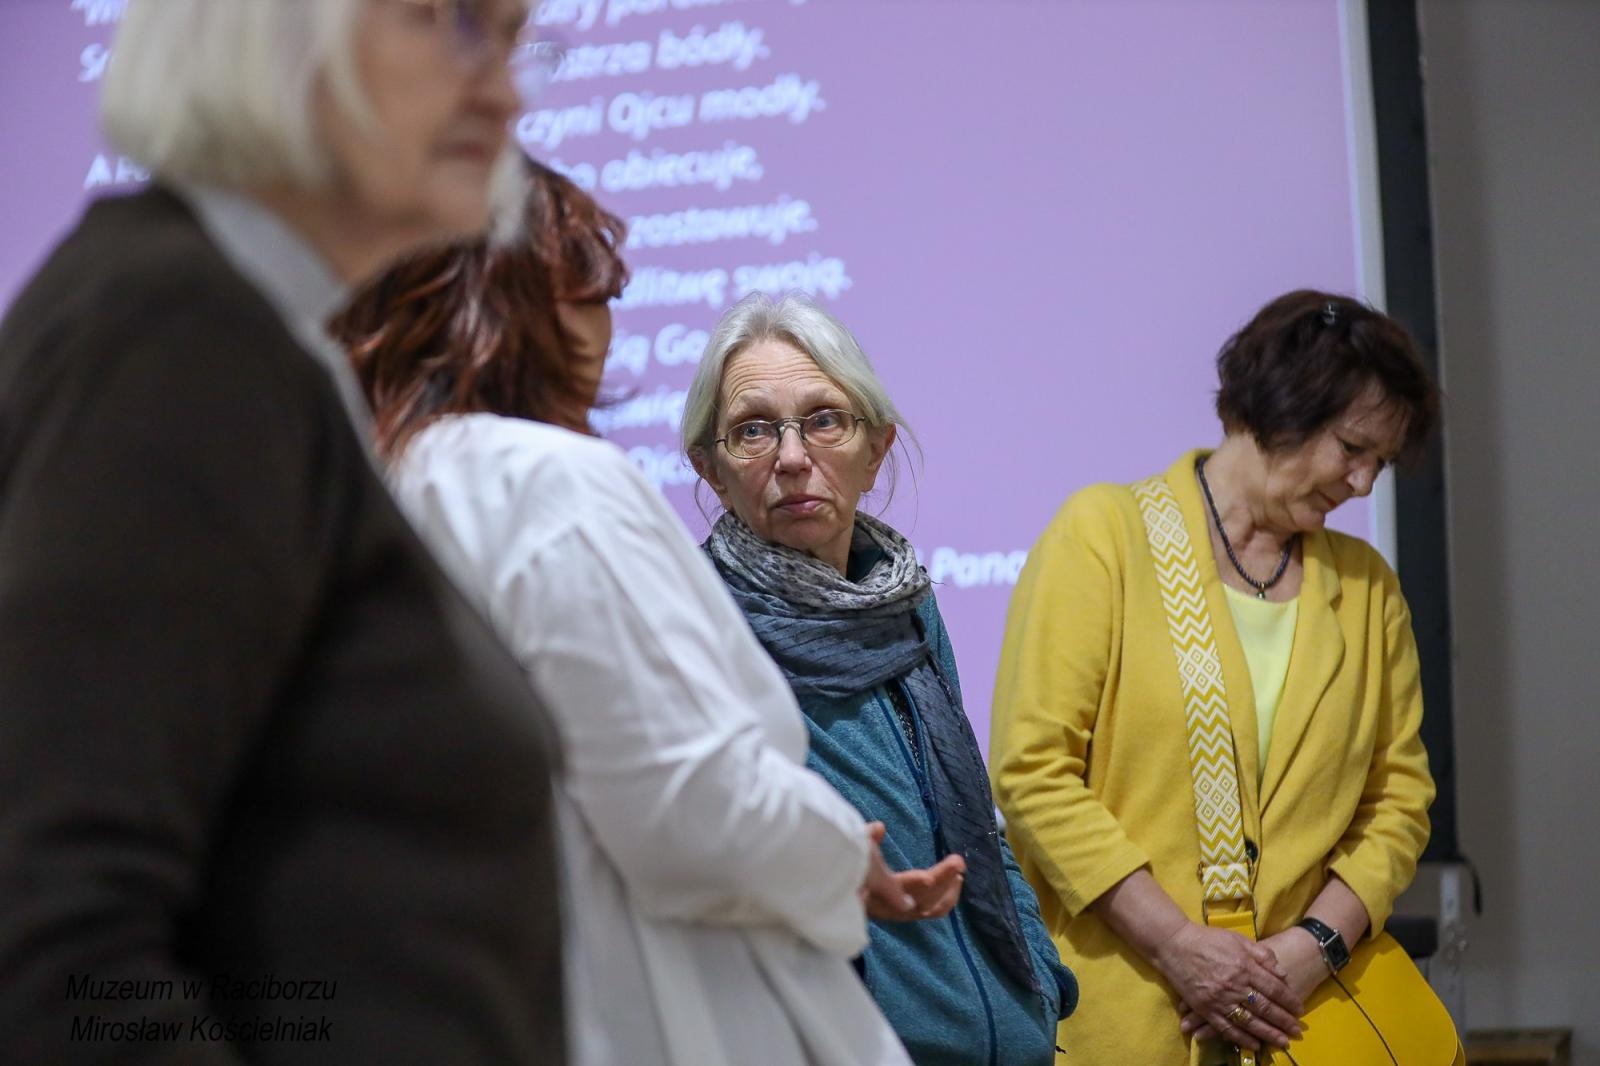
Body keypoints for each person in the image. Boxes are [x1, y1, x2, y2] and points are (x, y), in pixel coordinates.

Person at [0, 2, 568, 1063]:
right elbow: (59, 945)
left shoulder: (223, 330)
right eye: (445, 21)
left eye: (512, 37)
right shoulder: (177, 334)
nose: (503, 88)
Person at [333, 159, 931, 1066]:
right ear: (524, 301)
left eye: (826, 421)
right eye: (597, 289)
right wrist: (840, 854)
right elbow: (688, 804)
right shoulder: (544, 483)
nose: (611, 329)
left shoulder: (390, 488)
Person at [989, 289, 1440, 1065]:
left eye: (1382, 464)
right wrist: (1178, 947)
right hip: (1123, 1019)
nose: (1364, 485)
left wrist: (1314, 948)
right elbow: (1033, 774)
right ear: (1281, 408)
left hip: (1310, 1021)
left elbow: (1398, 802)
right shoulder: (1103, 535)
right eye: (1352, 448)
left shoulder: (1367, 588)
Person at [682, 292, 1078, 1066]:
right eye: (753, 429)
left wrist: (1040, 982)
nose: (792, 457)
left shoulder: (904, 601)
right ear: (712, 468)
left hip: (1010, 1041)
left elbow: (973, 813)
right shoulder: (695, 621)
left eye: (825, 419)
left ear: (877, 448)